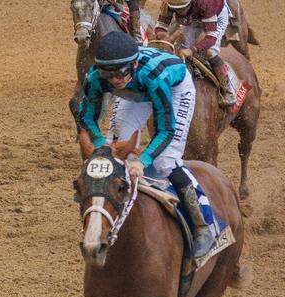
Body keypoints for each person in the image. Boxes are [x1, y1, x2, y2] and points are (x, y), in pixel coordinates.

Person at [74, 26, 212, 258]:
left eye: (121, 73)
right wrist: (99, 143)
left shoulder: (153, 78)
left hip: (174, 89)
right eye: (109, 75)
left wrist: (143, 160)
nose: (115, 80)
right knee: (114, 151)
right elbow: (86, 117)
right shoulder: (96, 77)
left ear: (134, 64)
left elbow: (166, 129)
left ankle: (202, 225)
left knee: (166, 161)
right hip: (134, 92)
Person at [159, 0, 233, 107]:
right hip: (193, 18)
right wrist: (164, 37)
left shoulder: (204, 2)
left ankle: (228, 90)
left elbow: (211, 38)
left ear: (191, 0)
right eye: (176, 10)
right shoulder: (169, 2)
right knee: (181, 47)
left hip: (217, 15)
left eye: (183, 8)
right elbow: (160, 27)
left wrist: (192, 50)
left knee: (210, 52)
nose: (180, 12)